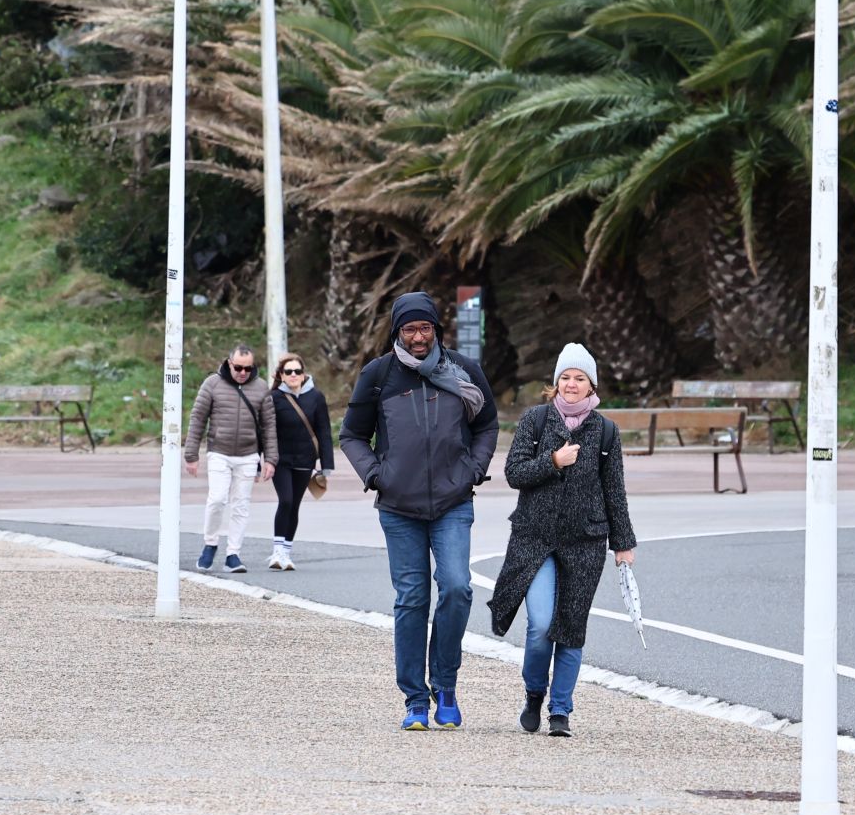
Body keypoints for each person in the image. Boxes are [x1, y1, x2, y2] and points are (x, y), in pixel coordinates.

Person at [340, 292, 499, 731]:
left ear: (436, 330)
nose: (417, 337)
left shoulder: (464, 372)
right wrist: (376, 474)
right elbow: (352, 435)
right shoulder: (378, 375)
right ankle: (414, 699)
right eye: (408, 329)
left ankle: (444, 685)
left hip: (453, 501)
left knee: (457, 587)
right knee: (411, 599)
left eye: (424, 328)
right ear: (397, 332)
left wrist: (474, 469)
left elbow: (486, 425)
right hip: (399, 506)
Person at [487, 344, 638, 739]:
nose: (571, 385)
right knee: (539, 626)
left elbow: (614, 489)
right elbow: (514, 472)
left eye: (579, 378)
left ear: (591, 385)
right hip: (535, 539)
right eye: (565, 378)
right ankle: (535, 693)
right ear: (555, 384)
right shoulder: (535, 421)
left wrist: (623, 541)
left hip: (584, 541)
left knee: (571, 627)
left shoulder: (605, 431)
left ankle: (560, 710)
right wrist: (552, 462)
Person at [181, 343, 277, 574]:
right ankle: (210, 543)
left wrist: (271, 459)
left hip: (248, 455)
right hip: (219, 452)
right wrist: (191, 454)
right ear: (229, 363)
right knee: (217, 499)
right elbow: (198, 419)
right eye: (238, 368)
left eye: (248, 368)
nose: (243, 373)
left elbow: (269, 425)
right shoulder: (212, 384)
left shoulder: (261, 387)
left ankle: (233, 554)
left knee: (241, 505)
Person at [267, 351, 333, 572]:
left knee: (294, 505)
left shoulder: (316, 397)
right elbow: (265, 431)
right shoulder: (274, 398)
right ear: (281, 375)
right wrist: (264, 459)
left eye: (298, 371)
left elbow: (323, 431)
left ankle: (286, 552)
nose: (294, 375)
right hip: (281, 460)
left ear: (304, 374)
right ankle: (277, 551)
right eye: (289, 371)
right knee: (285, 500)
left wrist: (326, 464)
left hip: (305, 459)